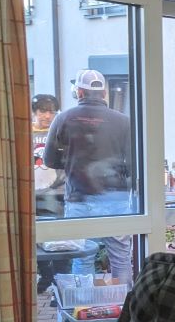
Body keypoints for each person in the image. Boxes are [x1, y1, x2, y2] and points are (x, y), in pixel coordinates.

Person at [43, 69, 135, 285]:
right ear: (103, 93)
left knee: (82, 257)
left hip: (79, 198)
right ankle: (124, 310)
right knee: (121, 258)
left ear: (80, 93)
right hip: (116, 200)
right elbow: (133, 164)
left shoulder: (64, 118)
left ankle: (83, 309)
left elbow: (49, 160)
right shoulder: (123, 121)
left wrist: (71, 163)